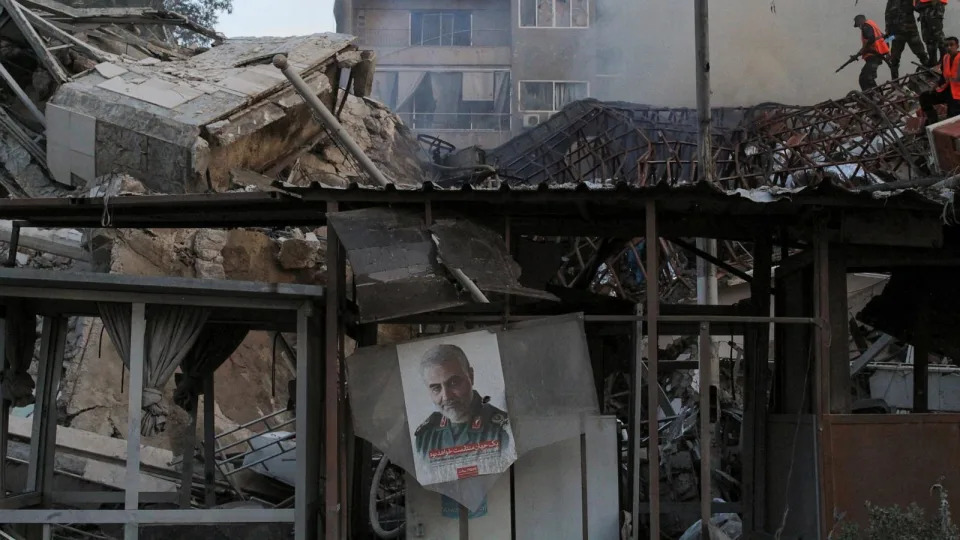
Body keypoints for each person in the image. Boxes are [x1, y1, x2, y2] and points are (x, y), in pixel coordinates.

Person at [414, 344, 511, 460]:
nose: (446, 396)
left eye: (454, 383)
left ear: (471, 376)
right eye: (436, 388)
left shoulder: (503, 431)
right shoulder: (425, 437)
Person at [920, 36, 960, 126]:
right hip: (947, 91)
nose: (949, 47)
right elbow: (943, 76)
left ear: (957, 46)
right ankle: (933, 120)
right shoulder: (945, 58)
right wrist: (936, 86)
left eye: (951, 45)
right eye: (946, 45)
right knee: (924, 97)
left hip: (958, 96)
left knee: (952, 119)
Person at [887, 0, 930, 77]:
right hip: (896, 34)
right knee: (894, 59)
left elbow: (919, 7)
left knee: (921, 54)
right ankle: (895, 81)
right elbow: (887, 16)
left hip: (911, 32)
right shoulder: (891, 1)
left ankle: (930, 71)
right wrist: (888, 31)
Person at [853, 15, 892, 91]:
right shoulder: (873, 26)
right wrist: (887, 51)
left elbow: (871, 39)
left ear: (860, 21)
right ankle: (875, 95)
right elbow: (886, 37)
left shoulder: (866, 26)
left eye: (858, 25)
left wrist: (863, 49)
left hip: (873, 56)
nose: (859, 27)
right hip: (876, 56)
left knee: (865, 79)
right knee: (866, 78)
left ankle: (874, 96)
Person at [915, 0, 949, 66]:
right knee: (928, 38)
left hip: (934, 4)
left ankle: (946, 58)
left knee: (937, 32)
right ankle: (933, 63)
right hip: (923, 6)